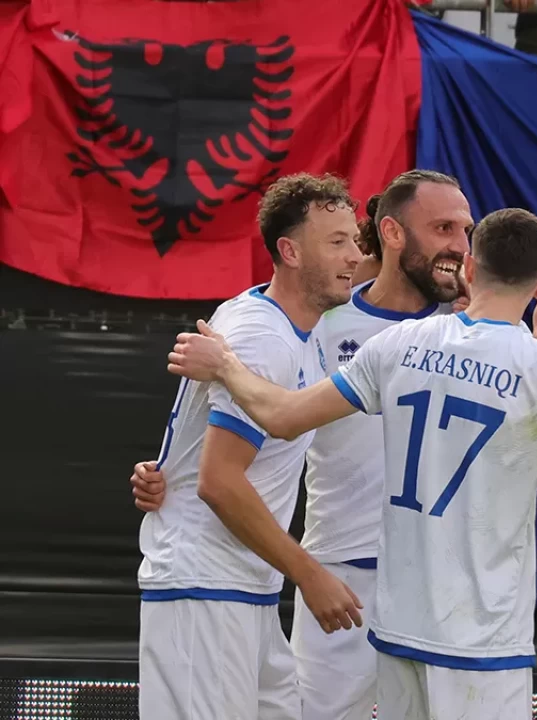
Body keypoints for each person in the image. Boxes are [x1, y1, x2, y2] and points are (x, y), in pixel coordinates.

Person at [164, 207, 537, 720]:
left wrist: (226, 365)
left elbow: (283, 416)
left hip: (398, 627)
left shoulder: (402, 343)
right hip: (481, 639)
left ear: (471, 267)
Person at [135, 173, 365, 720]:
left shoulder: (286, 320)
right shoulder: (262, 336)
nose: (355, 257)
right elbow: (219, 482)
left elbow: (198, 454)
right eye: (337, 242)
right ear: (290, 252)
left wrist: (164, 472)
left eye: (355, 240)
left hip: (244, 589)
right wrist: (310, 574)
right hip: (204, 587)